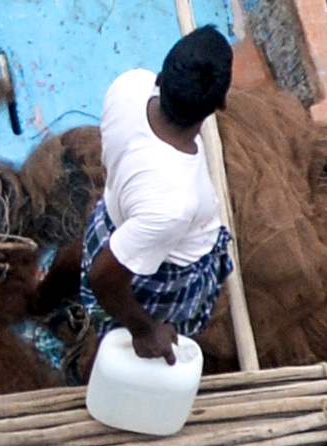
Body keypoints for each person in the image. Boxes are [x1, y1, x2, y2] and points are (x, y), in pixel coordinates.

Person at [87, 25, 236, 365]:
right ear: (222, 103)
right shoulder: (175, 204)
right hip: (160, 269)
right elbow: (103, 278)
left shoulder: (129, 86)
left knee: (84, 256)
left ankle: (42, 300)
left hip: (109, 219)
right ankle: (101, 347)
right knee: (118, 326)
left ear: (160, 77)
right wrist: (144, 330)